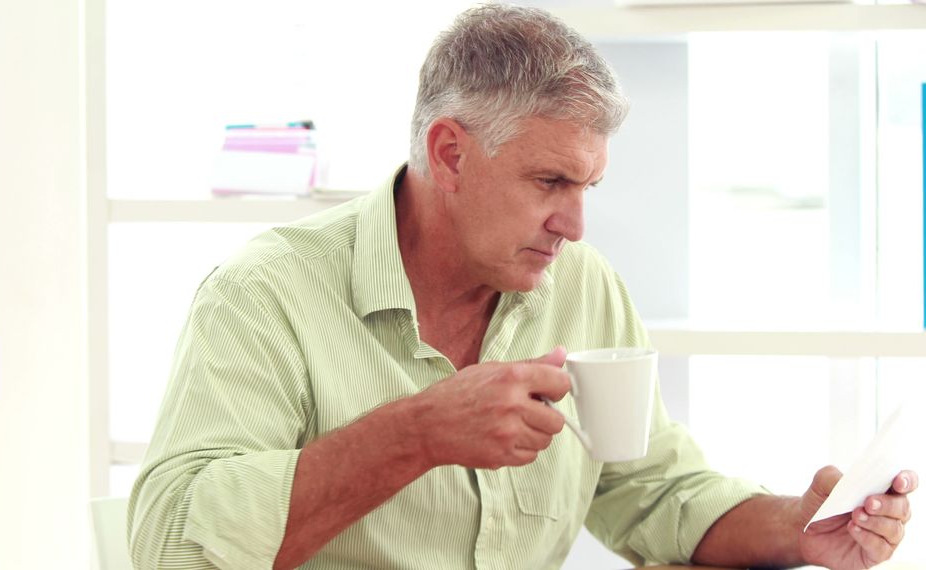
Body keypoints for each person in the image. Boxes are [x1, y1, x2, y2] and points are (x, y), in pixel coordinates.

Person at [128, 5, 917, 569]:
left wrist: (798, 528)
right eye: (549, 181)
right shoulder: (265, 294)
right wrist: (416, 434)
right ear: (451, 153)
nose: (574, 226)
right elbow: (168, 543)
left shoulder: (582, 288)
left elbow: (651, 491)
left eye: (589, 187)